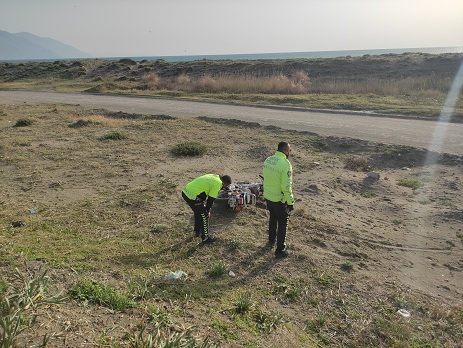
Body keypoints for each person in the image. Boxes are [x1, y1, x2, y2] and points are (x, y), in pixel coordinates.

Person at [262, 142, 294, 258]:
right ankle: (280, 249)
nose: (290, 152)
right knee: (282, 222)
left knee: (273, 217)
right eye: (289, 150)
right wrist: (290, 203)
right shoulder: (286, 164)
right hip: (279, 199)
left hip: (268, 196)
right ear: (285, 150)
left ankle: (271, 239)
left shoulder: (268, 160)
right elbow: (286, 186)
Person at [182, 174, 232, 243]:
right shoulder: (218, 184)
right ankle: (205, 238)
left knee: (198, 212)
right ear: (225, 183)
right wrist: (207, 210)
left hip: (186, 191)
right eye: (226, 186)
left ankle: (197, 232)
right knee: (204, 215)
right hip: (192, 196)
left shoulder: (215, 176)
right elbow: (211, 199)